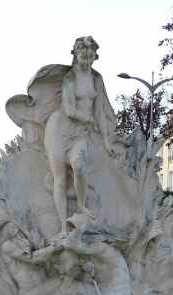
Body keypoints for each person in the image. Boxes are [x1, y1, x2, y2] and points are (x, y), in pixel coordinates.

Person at [44, 36, 115, 238]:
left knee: (80, 166)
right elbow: (69, 110)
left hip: (79, 133)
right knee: (60, 180)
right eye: (83, 57)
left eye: (91, 57)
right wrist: (88, 119)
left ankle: (82, 206)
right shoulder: (70, 78)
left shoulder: (97, 78)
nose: (87, 61)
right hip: (58, 129)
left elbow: (99, 111)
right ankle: (63, 227)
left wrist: (106, 141)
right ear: (76, 55)